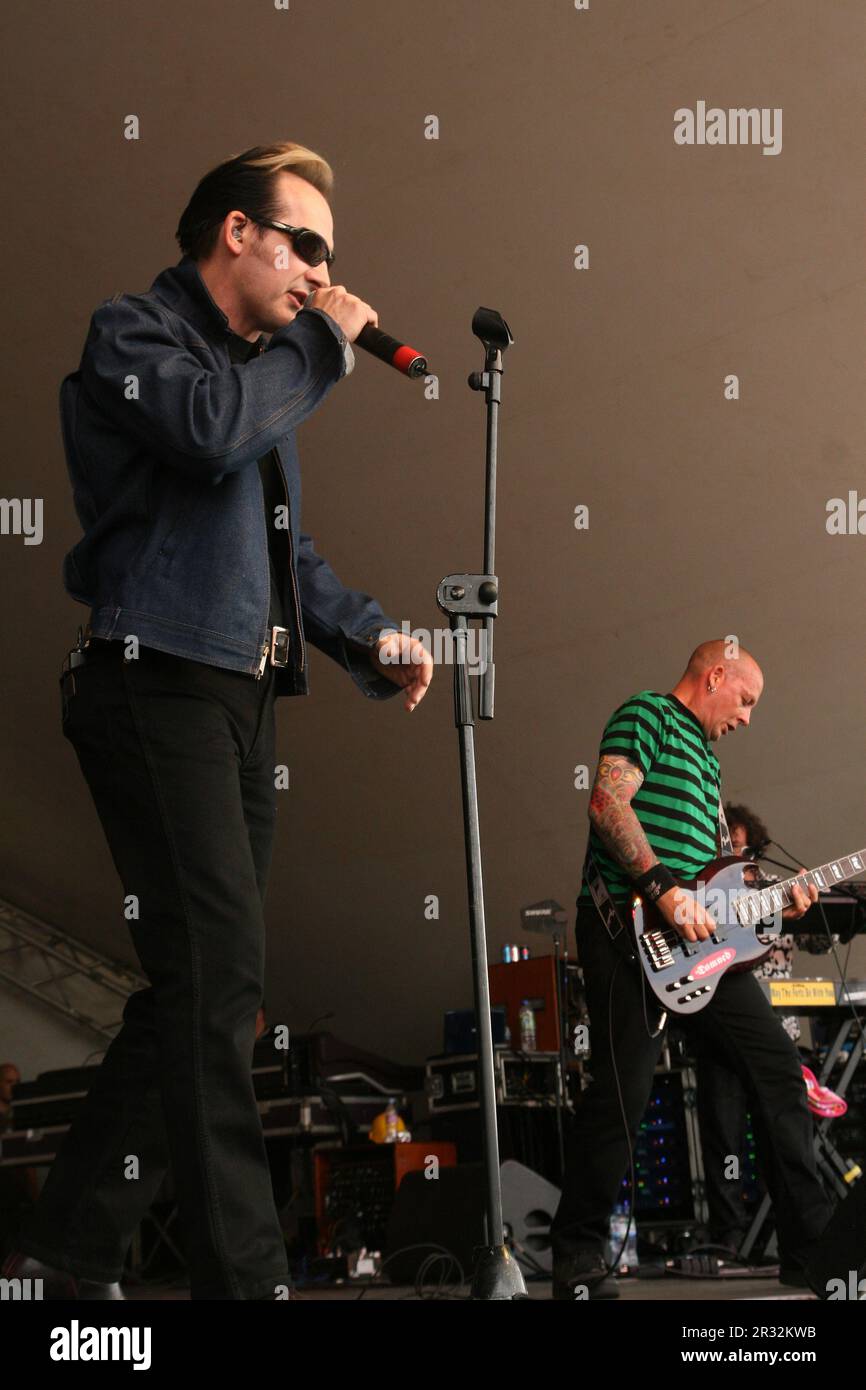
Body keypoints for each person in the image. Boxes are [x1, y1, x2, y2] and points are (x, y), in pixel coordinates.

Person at [3, 142, 433, 1301]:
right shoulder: (134, 335)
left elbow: (283, 551)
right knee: (219, 970)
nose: (319, 271)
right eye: (303, 244)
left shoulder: (261, 374)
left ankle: (59, 1255)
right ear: (234, 233)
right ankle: (247, 1279)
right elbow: (203, 431)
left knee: (207, 987)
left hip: (238, 694)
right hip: (154, 681)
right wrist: (321, 342)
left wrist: (367, 634)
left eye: (329, 258)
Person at [550, 640, 833, 1299]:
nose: (748, 717)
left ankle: (813, 1254)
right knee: (623, 1096)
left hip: (701, 953)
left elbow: (718, 899)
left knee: (778, 1072)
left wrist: (775, 909)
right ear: (715, 676)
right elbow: (606, 804)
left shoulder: (708, 767)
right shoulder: (645, 714)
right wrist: (663, 889)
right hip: (628, 930)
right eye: (746, 699)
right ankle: (578, 1257)